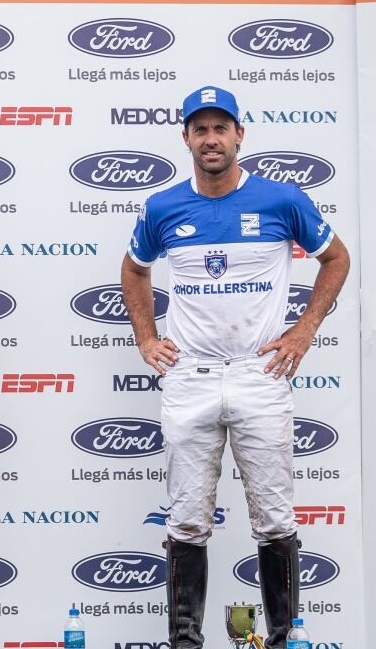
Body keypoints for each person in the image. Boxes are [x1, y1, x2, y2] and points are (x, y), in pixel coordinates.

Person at [120, 86, 349, 649]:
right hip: (191, 376)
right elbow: (134, 269)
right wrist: (147, 339)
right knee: (187, 520)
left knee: (274, 518)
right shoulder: (163, 206)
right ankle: (186, 640)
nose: (211, 138)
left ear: (240, 134)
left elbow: (336, 259)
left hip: (259, 375)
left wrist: (303, 330)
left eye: (221, 128)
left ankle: (282, 639)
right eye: (200, 129)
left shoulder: (280, 200)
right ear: (186, 139)